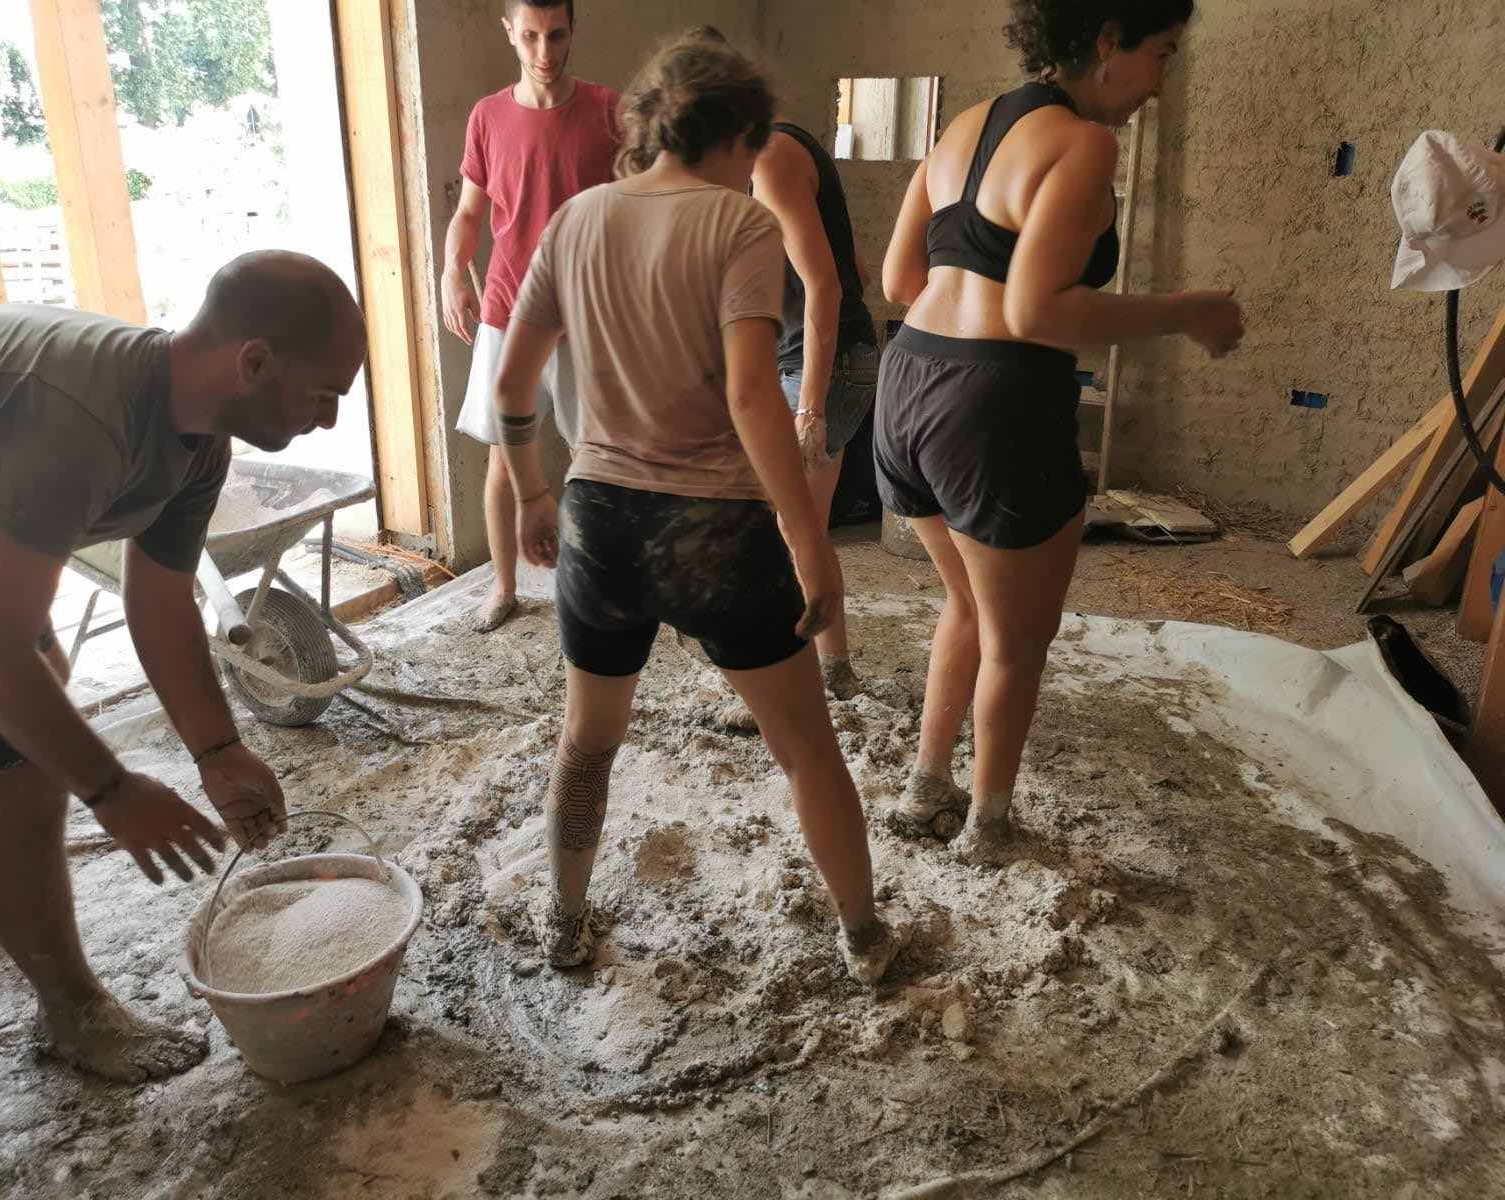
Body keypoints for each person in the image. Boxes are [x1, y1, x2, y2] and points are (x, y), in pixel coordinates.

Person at [492, 34, 907, 984]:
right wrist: (810, 544)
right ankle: (864, 937)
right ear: (739, 133)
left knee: (587, 746)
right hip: (715, 528)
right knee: (807, 751)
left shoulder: (575, 219)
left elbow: (514, 386)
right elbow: (754, 397)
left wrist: (530, 491)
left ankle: (565, 921)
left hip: (599, 519)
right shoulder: (739, 225)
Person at [0, 251, 368, 1081]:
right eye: (324, 394)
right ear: (254, 362)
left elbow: (158, 600)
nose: (331, 421)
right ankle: (72, 1013)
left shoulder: (197, 437)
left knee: (32, 687)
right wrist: (113, 791)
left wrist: (219, 752)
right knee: (27, 787)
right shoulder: (79, 424)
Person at [875, 0, 1243, 851]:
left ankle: (927, 786)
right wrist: (1188, 311)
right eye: (1162, 52)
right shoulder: (1083, 143)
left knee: (967, 605)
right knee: (1018, 639)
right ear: (1108, 40)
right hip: (991, 404)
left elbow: (899, 281)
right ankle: (987, 827)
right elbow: (1037, 312)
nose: (1161, 81)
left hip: (909, 382)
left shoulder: (964, 126)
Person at [684, 26, 880, 701]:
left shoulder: (769, 160)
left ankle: (785, 683)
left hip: (827, 368)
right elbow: (855, 269)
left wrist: (811, 408)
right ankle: (833, 670)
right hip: (826, 355)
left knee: (780, 532)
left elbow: (826, 286)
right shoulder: (780, 148)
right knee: (799, 530)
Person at [441, 0, 622, 633]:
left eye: (556, 35)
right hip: (506, 310)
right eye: (531, 37)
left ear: (573, 31)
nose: (544, 52)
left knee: (592, 458)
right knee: (503, 457)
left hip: (585, 314)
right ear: (510, 34)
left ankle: (598, 587)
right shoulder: (487, 117)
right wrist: (452, 271)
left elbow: (633, 206)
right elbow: (469, 212)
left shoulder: (608, 111)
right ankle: (504, 587)